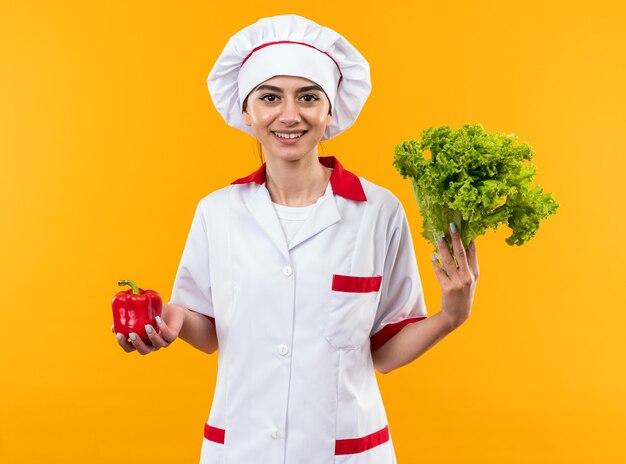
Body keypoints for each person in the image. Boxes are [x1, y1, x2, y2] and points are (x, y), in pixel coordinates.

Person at [114, 14, 479, 464]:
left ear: (330, 111)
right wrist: (170, 321)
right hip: (240, 449)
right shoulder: (218, 212)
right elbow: (205, 330)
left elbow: (384, 351)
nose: (290, 115)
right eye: (270, 97)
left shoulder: (378, 211)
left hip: (344, 451)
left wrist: (451, 317)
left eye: (308, 97)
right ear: (247, 112)